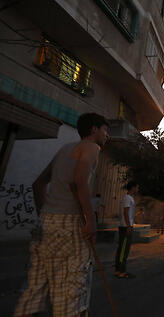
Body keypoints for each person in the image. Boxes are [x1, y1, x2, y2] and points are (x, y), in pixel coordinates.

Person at [14, 113, 109, 317]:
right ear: (94, 130)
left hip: (48, 221)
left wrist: (46, 213)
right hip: (70, 222)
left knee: (36, 288)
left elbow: (38, 184)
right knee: (71, 293)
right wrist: (90, 221)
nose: (106, 135)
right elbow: (79, 181)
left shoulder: (65, 149)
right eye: (105, 130)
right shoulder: (92, 147)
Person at [114, 181, 139, 278]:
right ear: (133, 187)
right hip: (125, 227)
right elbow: (125, 212)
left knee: (122, 248)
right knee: (124, 249)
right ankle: (122, 271)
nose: (138, 189)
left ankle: (118, 270)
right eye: (137, 187)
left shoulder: (128, 198)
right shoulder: (128, 198)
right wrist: (129, 226)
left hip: (125, 226)